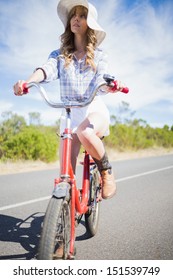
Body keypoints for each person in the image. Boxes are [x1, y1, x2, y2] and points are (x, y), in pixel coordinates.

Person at [13, 0, 125, 199]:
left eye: (82, 15)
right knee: (66, 171)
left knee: (86, 132)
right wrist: (27, 83)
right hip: (70, 115)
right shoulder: (59, 55)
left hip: (93, 110)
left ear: (89, 23)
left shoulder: (99, 55)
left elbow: (103, 76)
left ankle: (106, 173)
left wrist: (110, 85)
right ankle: (66, 206)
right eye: (74, 15)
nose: (76, 18)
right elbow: (45, 70)